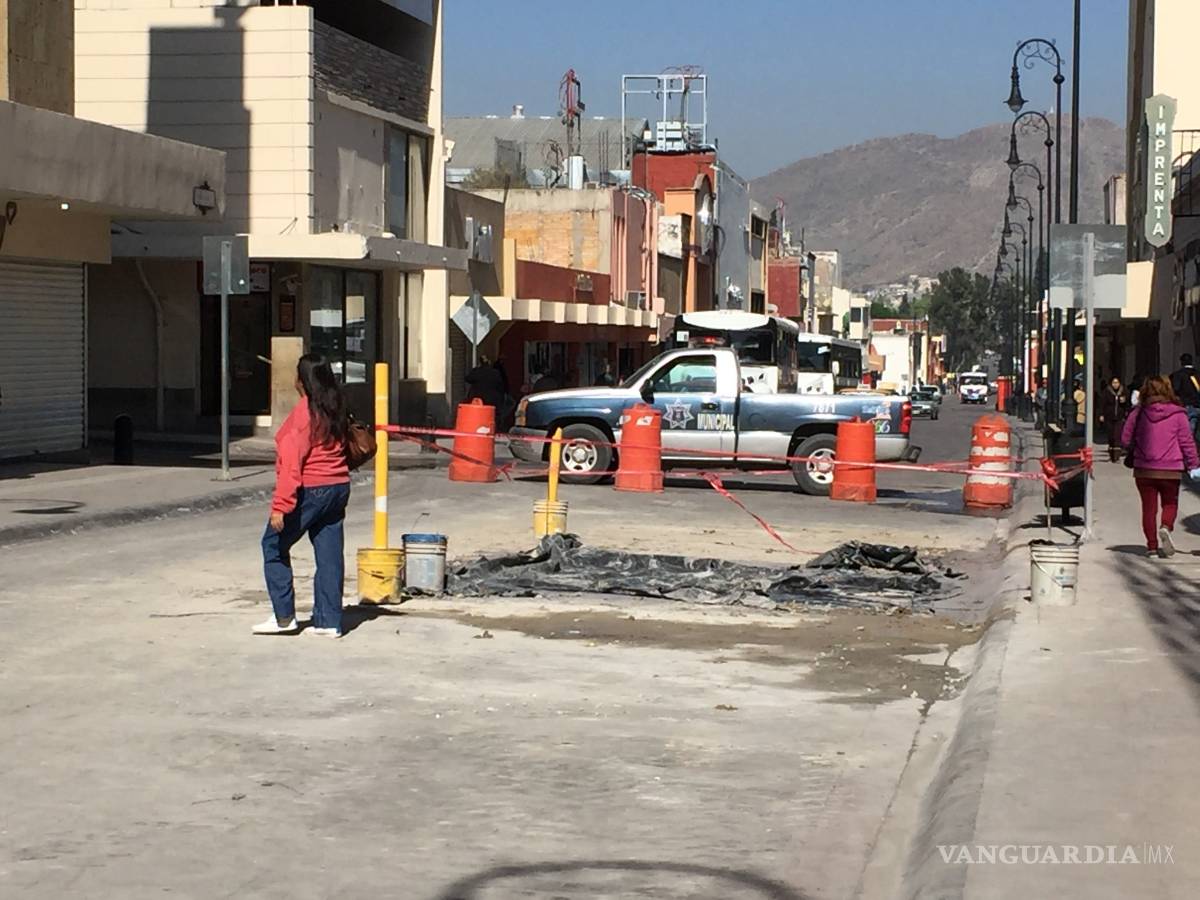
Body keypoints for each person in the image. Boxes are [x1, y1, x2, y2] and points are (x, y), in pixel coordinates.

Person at [256, 353, 352, 636]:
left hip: (312, 489)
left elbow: (291, 466)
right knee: (329, 555)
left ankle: (284, 616)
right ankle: (328, 621)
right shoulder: (335, 406)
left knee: (272, 545)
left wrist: (280, 507)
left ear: (302, 381)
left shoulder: (304, 414)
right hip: (338, 486)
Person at [1121, 375, 1200, 557]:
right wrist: (1194, 464)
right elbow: (1186, 442)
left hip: (1144, 468)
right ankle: (1166, 527)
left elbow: (1125, 439)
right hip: (1171, 469)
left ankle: (1151, 547)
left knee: (1148, 508)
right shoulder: (1178, 414)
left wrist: (1139, 445)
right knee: (1170, 503)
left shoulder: (1138, 413)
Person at [1170, 353, 1200, 440]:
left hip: (1187, 404)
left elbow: (1176, 389)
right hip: (1198, 404)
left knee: (1189, 431)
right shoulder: (1198, 374)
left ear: (1181, 362)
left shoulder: (1179, 375)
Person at [1099, 376, 1127, 462]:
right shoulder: (1107, 392)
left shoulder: (1124, 391)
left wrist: (1124, 401)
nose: (1115, 385)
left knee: (1117, 435)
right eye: (1114, 383)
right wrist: (1101, 414)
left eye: (1117, 383)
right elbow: (1102, 404)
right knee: (1111, 435)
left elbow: (1128, 403)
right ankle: (1111, 454)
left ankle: (1116, 456)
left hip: (1119, 416)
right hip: (1109, 416)